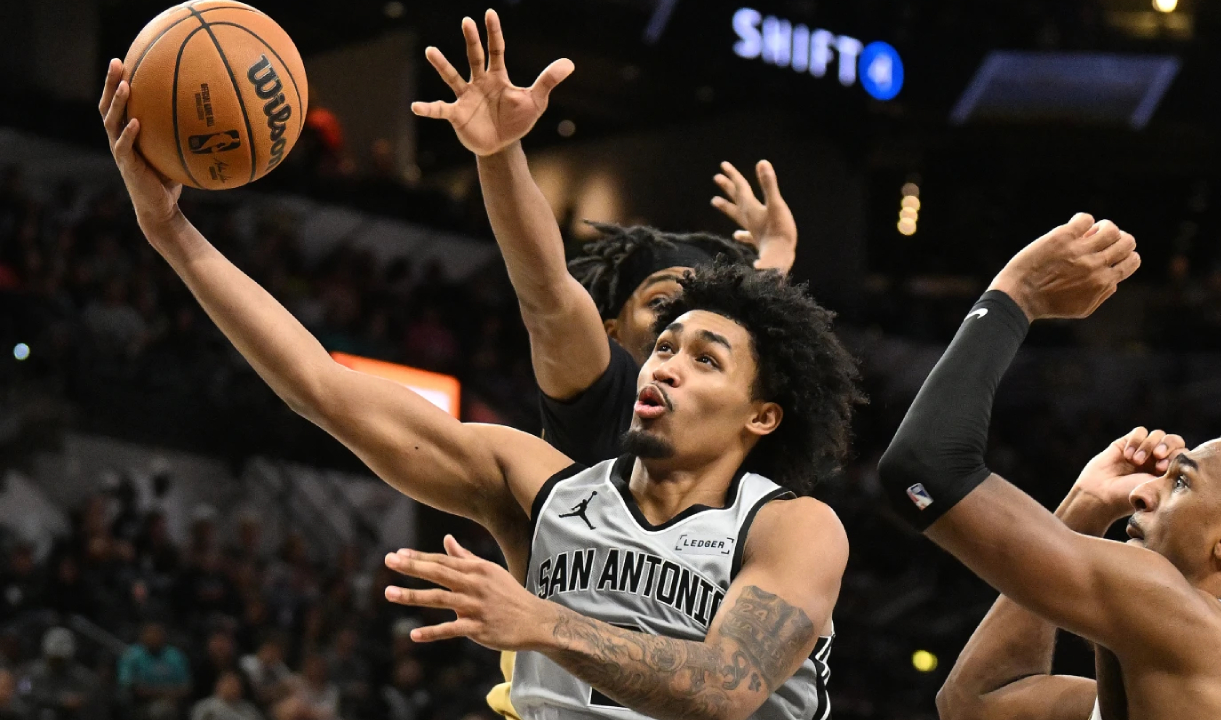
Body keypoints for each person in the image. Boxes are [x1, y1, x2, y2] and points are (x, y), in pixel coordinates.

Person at [99, 55, 861, 719]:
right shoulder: (546, 487)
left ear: (763, 415)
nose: (664, 362)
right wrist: (169, 231)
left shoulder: (793, 528)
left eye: (703, 358)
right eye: (663, 342)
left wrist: (539, 621)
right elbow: (318, 386)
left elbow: (726, 688)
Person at [878, 213, 1221, 717]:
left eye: (1181, 482)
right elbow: (973, 704)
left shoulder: (1189, 622)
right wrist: (1084, 505)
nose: (1142, 492)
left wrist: (1015, 296)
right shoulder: (1189, 676)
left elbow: (922, 468)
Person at [413, 10, 799, 465]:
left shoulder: (730, 433)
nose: (684, 324)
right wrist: (499, 153)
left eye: (702, 317)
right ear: (611, 333)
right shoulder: (607, 392)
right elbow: (546, 290)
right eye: (661, 304)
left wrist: (778, 250)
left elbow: (747, 318)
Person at [17, 627, 104, 720]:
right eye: (53, 659)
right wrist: (60, 701)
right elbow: (23, 694)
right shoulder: (29, 673)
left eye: (60, 660)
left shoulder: (83, 678)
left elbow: (90, 702)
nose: (56, 664)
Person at [117, 621, 191, 720]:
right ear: (142, 637)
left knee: (163, 710)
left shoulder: (175, 656)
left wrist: (157, 692)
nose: (153, 637)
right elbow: (128, 684)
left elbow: (185, 687)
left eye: (156, 634)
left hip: (171, 701)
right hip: (139, 703)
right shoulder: (132, 655)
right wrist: (161, 692)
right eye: (149, 634)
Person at [190, 672, 265, 720]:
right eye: (229, 684)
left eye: (236, 684)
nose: (233, 687)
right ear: (218, 686)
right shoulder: (204, 707)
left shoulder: (249, 708)